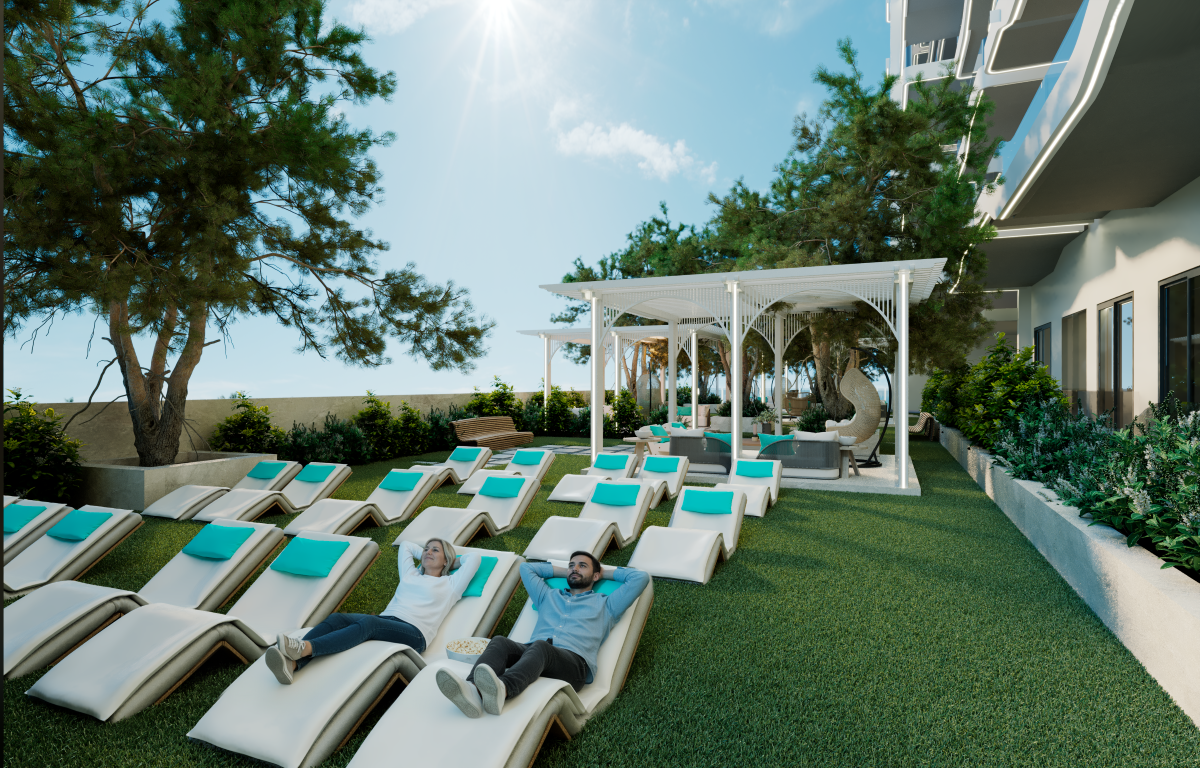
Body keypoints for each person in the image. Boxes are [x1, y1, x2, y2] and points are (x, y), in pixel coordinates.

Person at [436, 551, 649, 717]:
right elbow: (527, 568)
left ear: (595, 575)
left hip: (574, 666)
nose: (575, 569)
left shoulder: (608, 605)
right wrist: (567, 572)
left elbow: (639, 578)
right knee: (500, 641)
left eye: (582, 566)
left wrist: (603, 572)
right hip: (535, 653)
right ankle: (472, 690)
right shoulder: (548, 596)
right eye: (571, 565)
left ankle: (504, 688)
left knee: (541, 646)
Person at [265, 538, 479, 685]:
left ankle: (304, 647)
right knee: (337, 618)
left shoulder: (451, 584)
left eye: (435, 550)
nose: (428, 552)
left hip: (415, 633)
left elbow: (474, 558)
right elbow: (405, 545)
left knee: (369, 624)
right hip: (387, 621)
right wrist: (429, 555)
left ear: (446, 559)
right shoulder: (410, 574)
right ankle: (293, 663)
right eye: (426, 549)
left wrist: (451, 562)